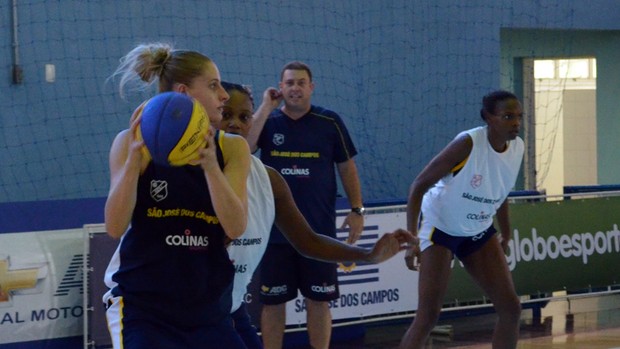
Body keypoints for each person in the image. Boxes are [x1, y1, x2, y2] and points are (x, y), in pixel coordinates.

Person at [220, 81, 416, 349]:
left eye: (244, 117)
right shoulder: (188, 173)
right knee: (273, 305)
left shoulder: (269, 179)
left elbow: (308, 241)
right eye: (225, 114)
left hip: (228, 310)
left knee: (318, 302)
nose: (235, 124)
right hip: (189, 313)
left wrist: (367, 255)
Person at [103, 43, 250, 349]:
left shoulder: (232, 149)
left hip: (208, 309)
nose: (224, 94)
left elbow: (235, 228)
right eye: (213, 85)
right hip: (144, 310)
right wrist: (133, 163)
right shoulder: (131, 142)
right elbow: (115, 227)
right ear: (183, 93)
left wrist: (210, 167)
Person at [245, 61, 365, 349]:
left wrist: (356, 209)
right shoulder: (268, 122)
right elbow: (245, 148)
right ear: (280, 88)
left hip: (318, 233)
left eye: (301, 83)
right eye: (289, 83)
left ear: (311, 87)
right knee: (273, 304)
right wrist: (264, 107)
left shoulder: (330, 122)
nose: (295, 88)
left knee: (319, 302)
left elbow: (347, 168)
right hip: (275, 235)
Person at [399, 90, 524, 349]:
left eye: (519, 117)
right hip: (440, 229)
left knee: (511, 309)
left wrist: (507, 232)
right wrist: (412, 240)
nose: (515, 123)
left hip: (478, 231)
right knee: (428, 316)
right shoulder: (467, 143)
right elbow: (417, 187)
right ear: (489, 118)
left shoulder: (518, 148)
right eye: (508, 116)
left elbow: (500, 192)